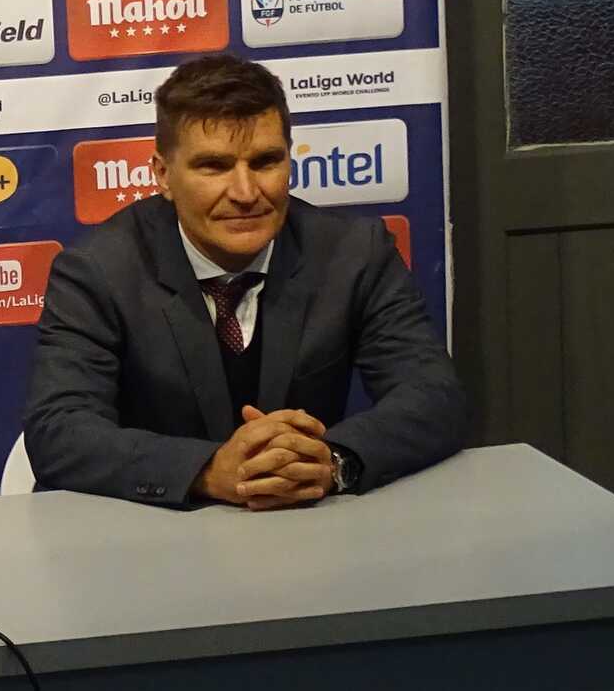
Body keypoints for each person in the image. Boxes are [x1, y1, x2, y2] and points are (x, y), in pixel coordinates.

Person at [23, 53, 466, 509]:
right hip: (153, 533)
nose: (245, 193)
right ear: (163, 175)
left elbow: (434, 396)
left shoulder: (354, 254)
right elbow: (59, 430)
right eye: (214, 166)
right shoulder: (98, 270)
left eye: (265, 162)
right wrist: (207, 470)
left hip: (308, 528)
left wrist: (331, 461)